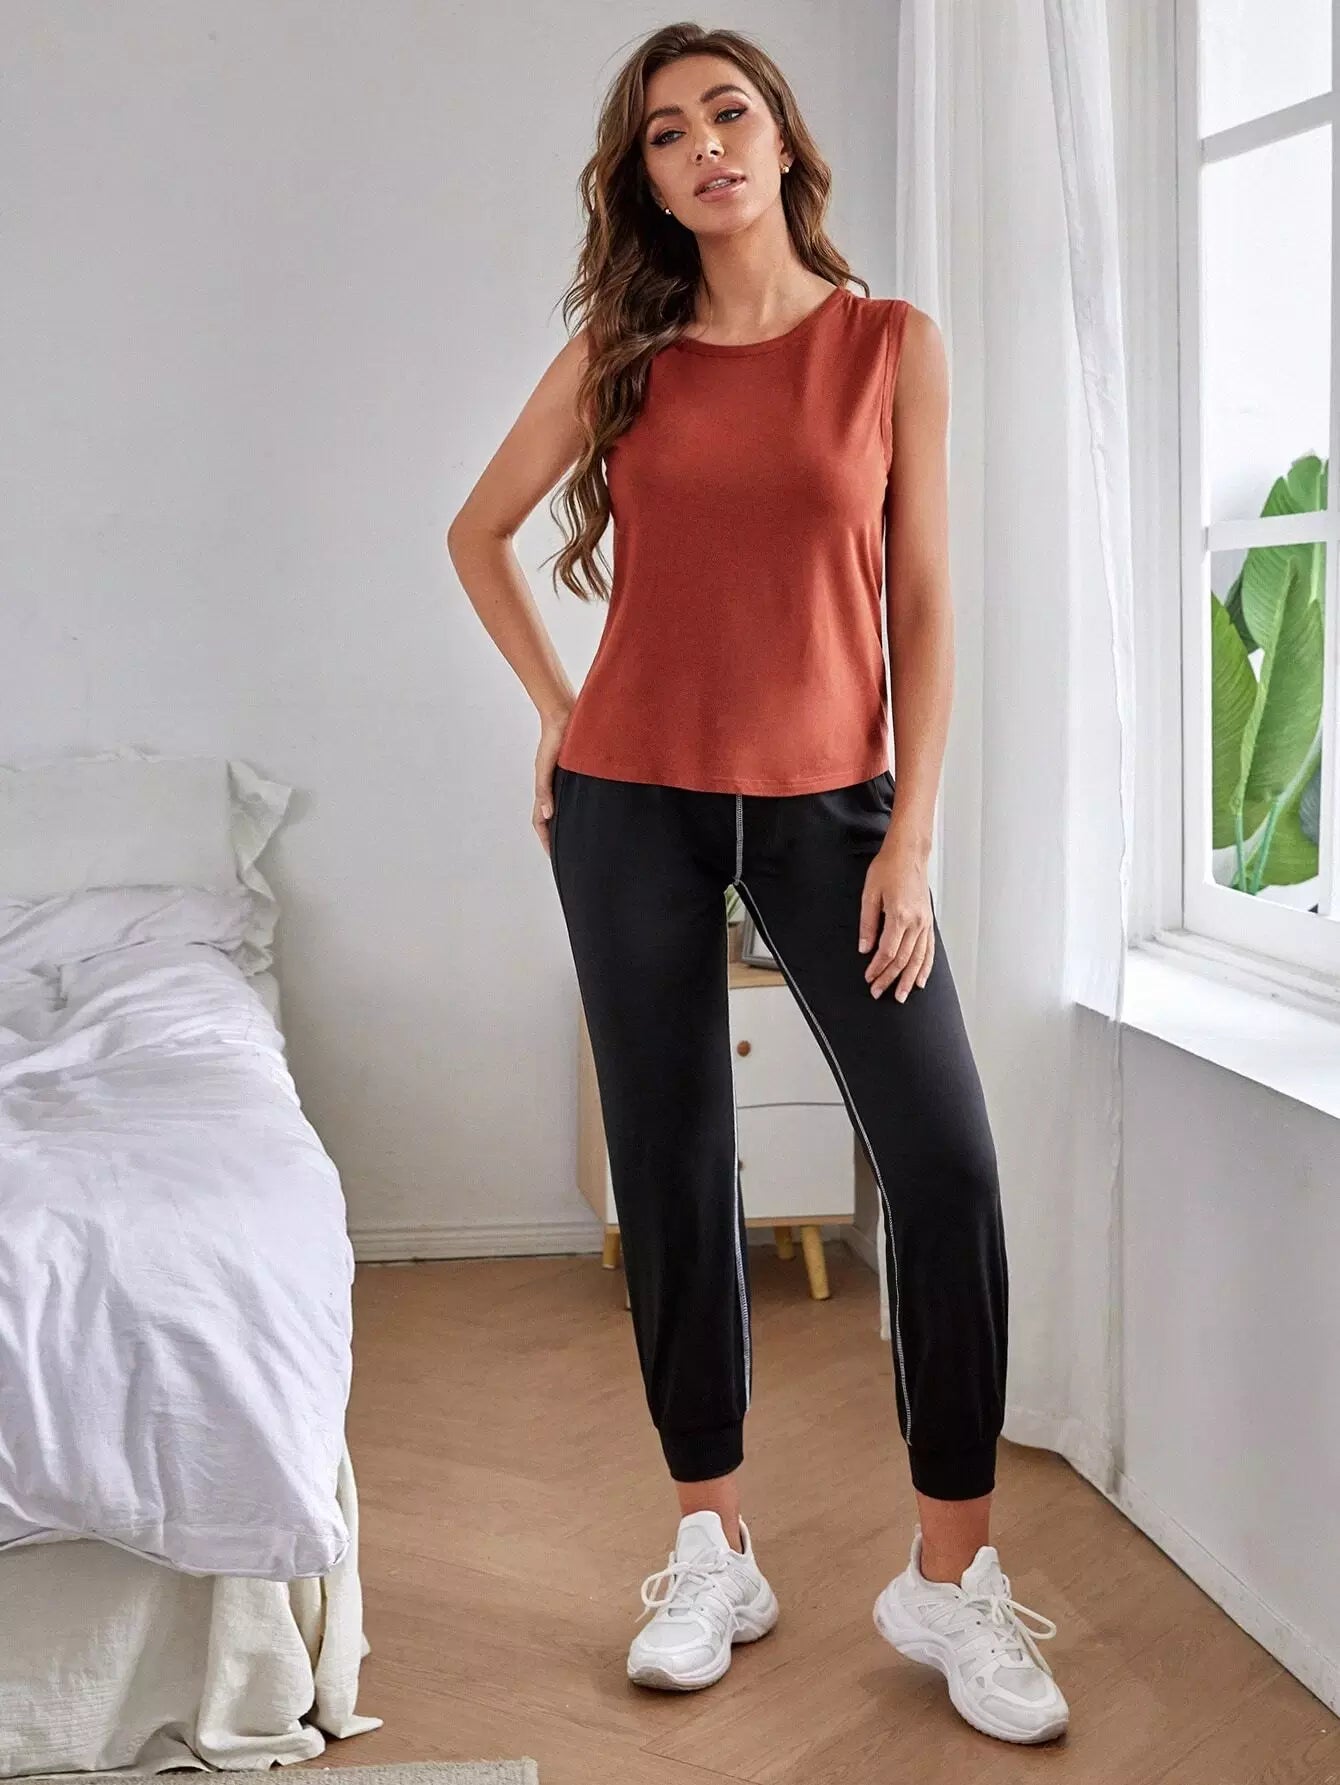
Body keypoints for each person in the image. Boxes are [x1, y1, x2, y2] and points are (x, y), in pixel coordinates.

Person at [447, 21, 1068, 1749]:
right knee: (675, 1165)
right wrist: (561, 711)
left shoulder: (889, 345)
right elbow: (476, 532)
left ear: (784, 139)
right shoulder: (623, 348)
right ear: (645, 179)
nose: (705, 146)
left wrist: (915, 836)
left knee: (946, 1166)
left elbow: (924, 601)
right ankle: (711, 1544)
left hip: (834, 814)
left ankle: (951, 1573)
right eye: (667, 134)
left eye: (730, 113)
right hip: (631, 804)